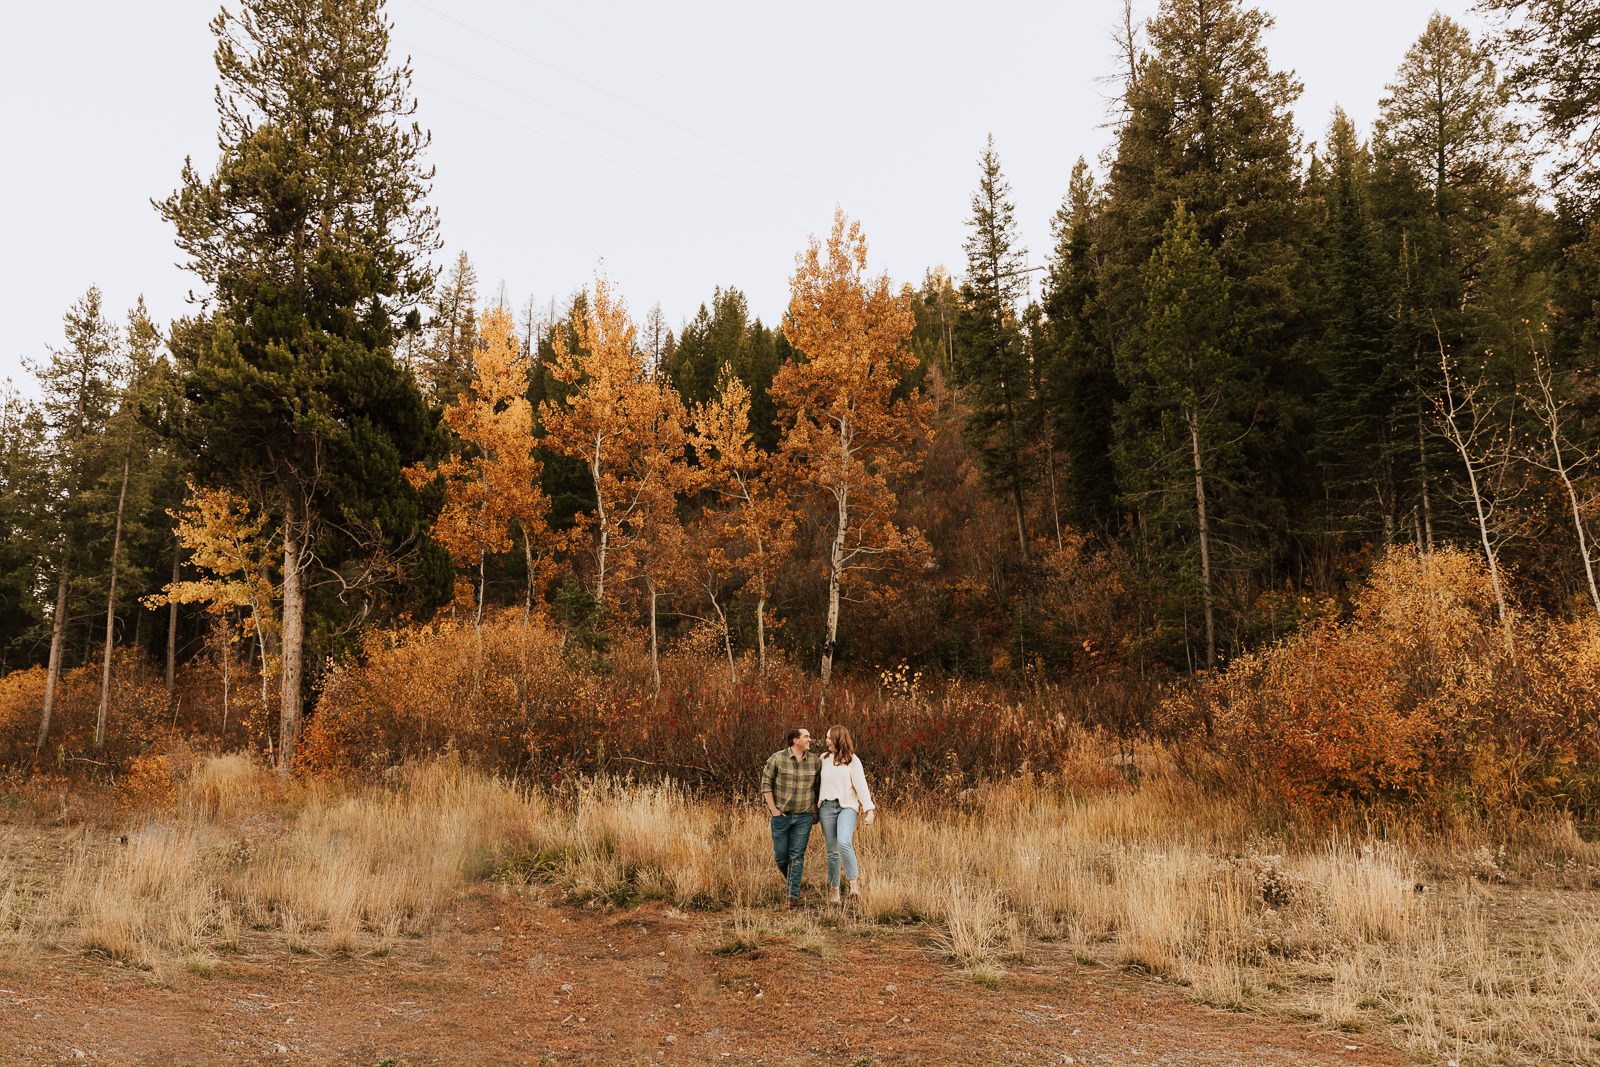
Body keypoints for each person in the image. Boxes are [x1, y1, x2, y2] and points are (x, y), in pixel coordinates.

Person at [760, 727, 821, 908]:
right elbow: (765, 783)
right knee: (780, 857)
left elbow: (818, 788)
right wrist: (773, 809)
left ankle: (792, 896)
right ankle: (793, 882)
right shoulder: (777, 758)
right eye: (807, 737)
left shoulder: (816, 762)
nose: (810, 740)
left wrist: (815, 812)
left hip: (804, 817)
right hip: (781, 816)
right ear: (796, 740)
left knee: (797, 856)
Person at [818, 724, 876, 904]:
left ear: (837, 738)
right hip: (826, 808)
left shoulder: (853, 760)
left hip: (847, 807)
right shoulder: (823, 758)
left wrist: (869, 810)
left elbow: (861, 785)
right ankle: (835, 889)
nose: (826, 740)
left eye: (829, 737)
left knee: (844, 842)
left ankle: (854, 886)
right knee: (832, 851)